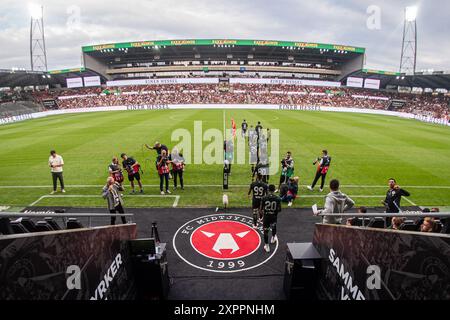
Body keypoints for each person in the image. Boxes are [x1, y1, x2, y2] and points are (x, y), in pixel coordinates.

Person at [261, 184, 282, 253]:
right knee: (273, 227)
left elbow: (261, 209)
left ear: (268, 190)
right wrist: (274, 212)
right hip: (273, 216)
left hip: (266, 217)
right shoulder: (278, 198)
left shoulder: (264, 198)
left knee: (266, 231)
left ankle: (267, 246)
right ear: (274, 190)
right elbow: (279, 209)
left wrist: (262, 215)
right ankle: (273, 238)